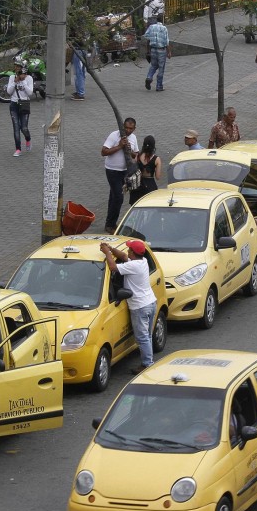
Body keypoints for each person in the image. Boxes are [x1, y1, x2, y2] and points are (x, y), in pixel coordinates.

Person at [99, 240, 157, 374]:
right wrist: (112, 249)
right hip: (150, 302)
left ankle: (148, 364)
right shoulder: (142, 262)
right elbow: (124, 258)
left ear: (133, 253)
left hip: (140, 307)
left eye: (129, 249)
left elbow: (113, 267)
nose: (127, 251)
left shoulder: (134, 266)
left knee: (142, 337)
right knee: (147, 336)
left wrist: (107, 253)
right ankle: (148, 360)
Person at [101, 118, 139, 233]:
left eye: (130, 129)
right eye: (126, 128)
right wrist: (119, 146)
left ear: (134, 129)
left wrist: (130, 150)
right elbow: (103, 152)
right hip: (112, 170)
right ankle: (111, 224)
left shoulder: (133, 138)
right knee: (118, 197)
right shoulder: (114, 135)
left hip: (124, 171)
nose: (128, 130)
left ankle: (109, 222)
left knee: (113, 196)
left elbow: (135, 155)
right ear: (122, 126)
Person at [6, 58, 33, 156]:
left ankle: (28, 139)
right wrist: (15, 82)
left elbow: (30, 93)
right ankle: (18, 149)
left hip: (24, 104)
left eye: (18, 66)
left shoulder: (29, 78)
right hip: (14, 104)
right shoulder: (12, 77)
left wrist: (24, 81)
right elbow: (9, 92)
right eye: (16, 66)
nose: (16, 68)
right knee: (16, 127)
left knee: (24, 128)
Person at [143, 14, 173, 92]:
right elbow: (166, 42)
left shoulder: (151, 27)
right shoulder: (164, 28)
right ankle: (159, 86)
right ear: (163, 20)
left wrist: (148, 50)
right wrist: (169, 52)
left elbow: (146, 37)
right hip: (161, 50)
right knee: (161, 68)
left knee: (153, 65)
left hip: (153, 49)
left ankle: (149, 77)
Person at [130, 135, 162, 205]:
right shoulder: (157, 159)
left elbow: (133, 169)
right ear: (153, 146)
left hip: (138, 185)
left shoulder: (137, 156)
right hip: (150, 186)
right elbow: (158, 177)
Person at [70, 37, 87, 101]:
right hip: (79, 51)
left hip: (79, 51)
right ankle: (79, 92)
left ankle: (80, 94)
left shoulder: (78, 32)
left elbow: (81, 42)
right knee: (79, 73)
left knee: (79, 74)